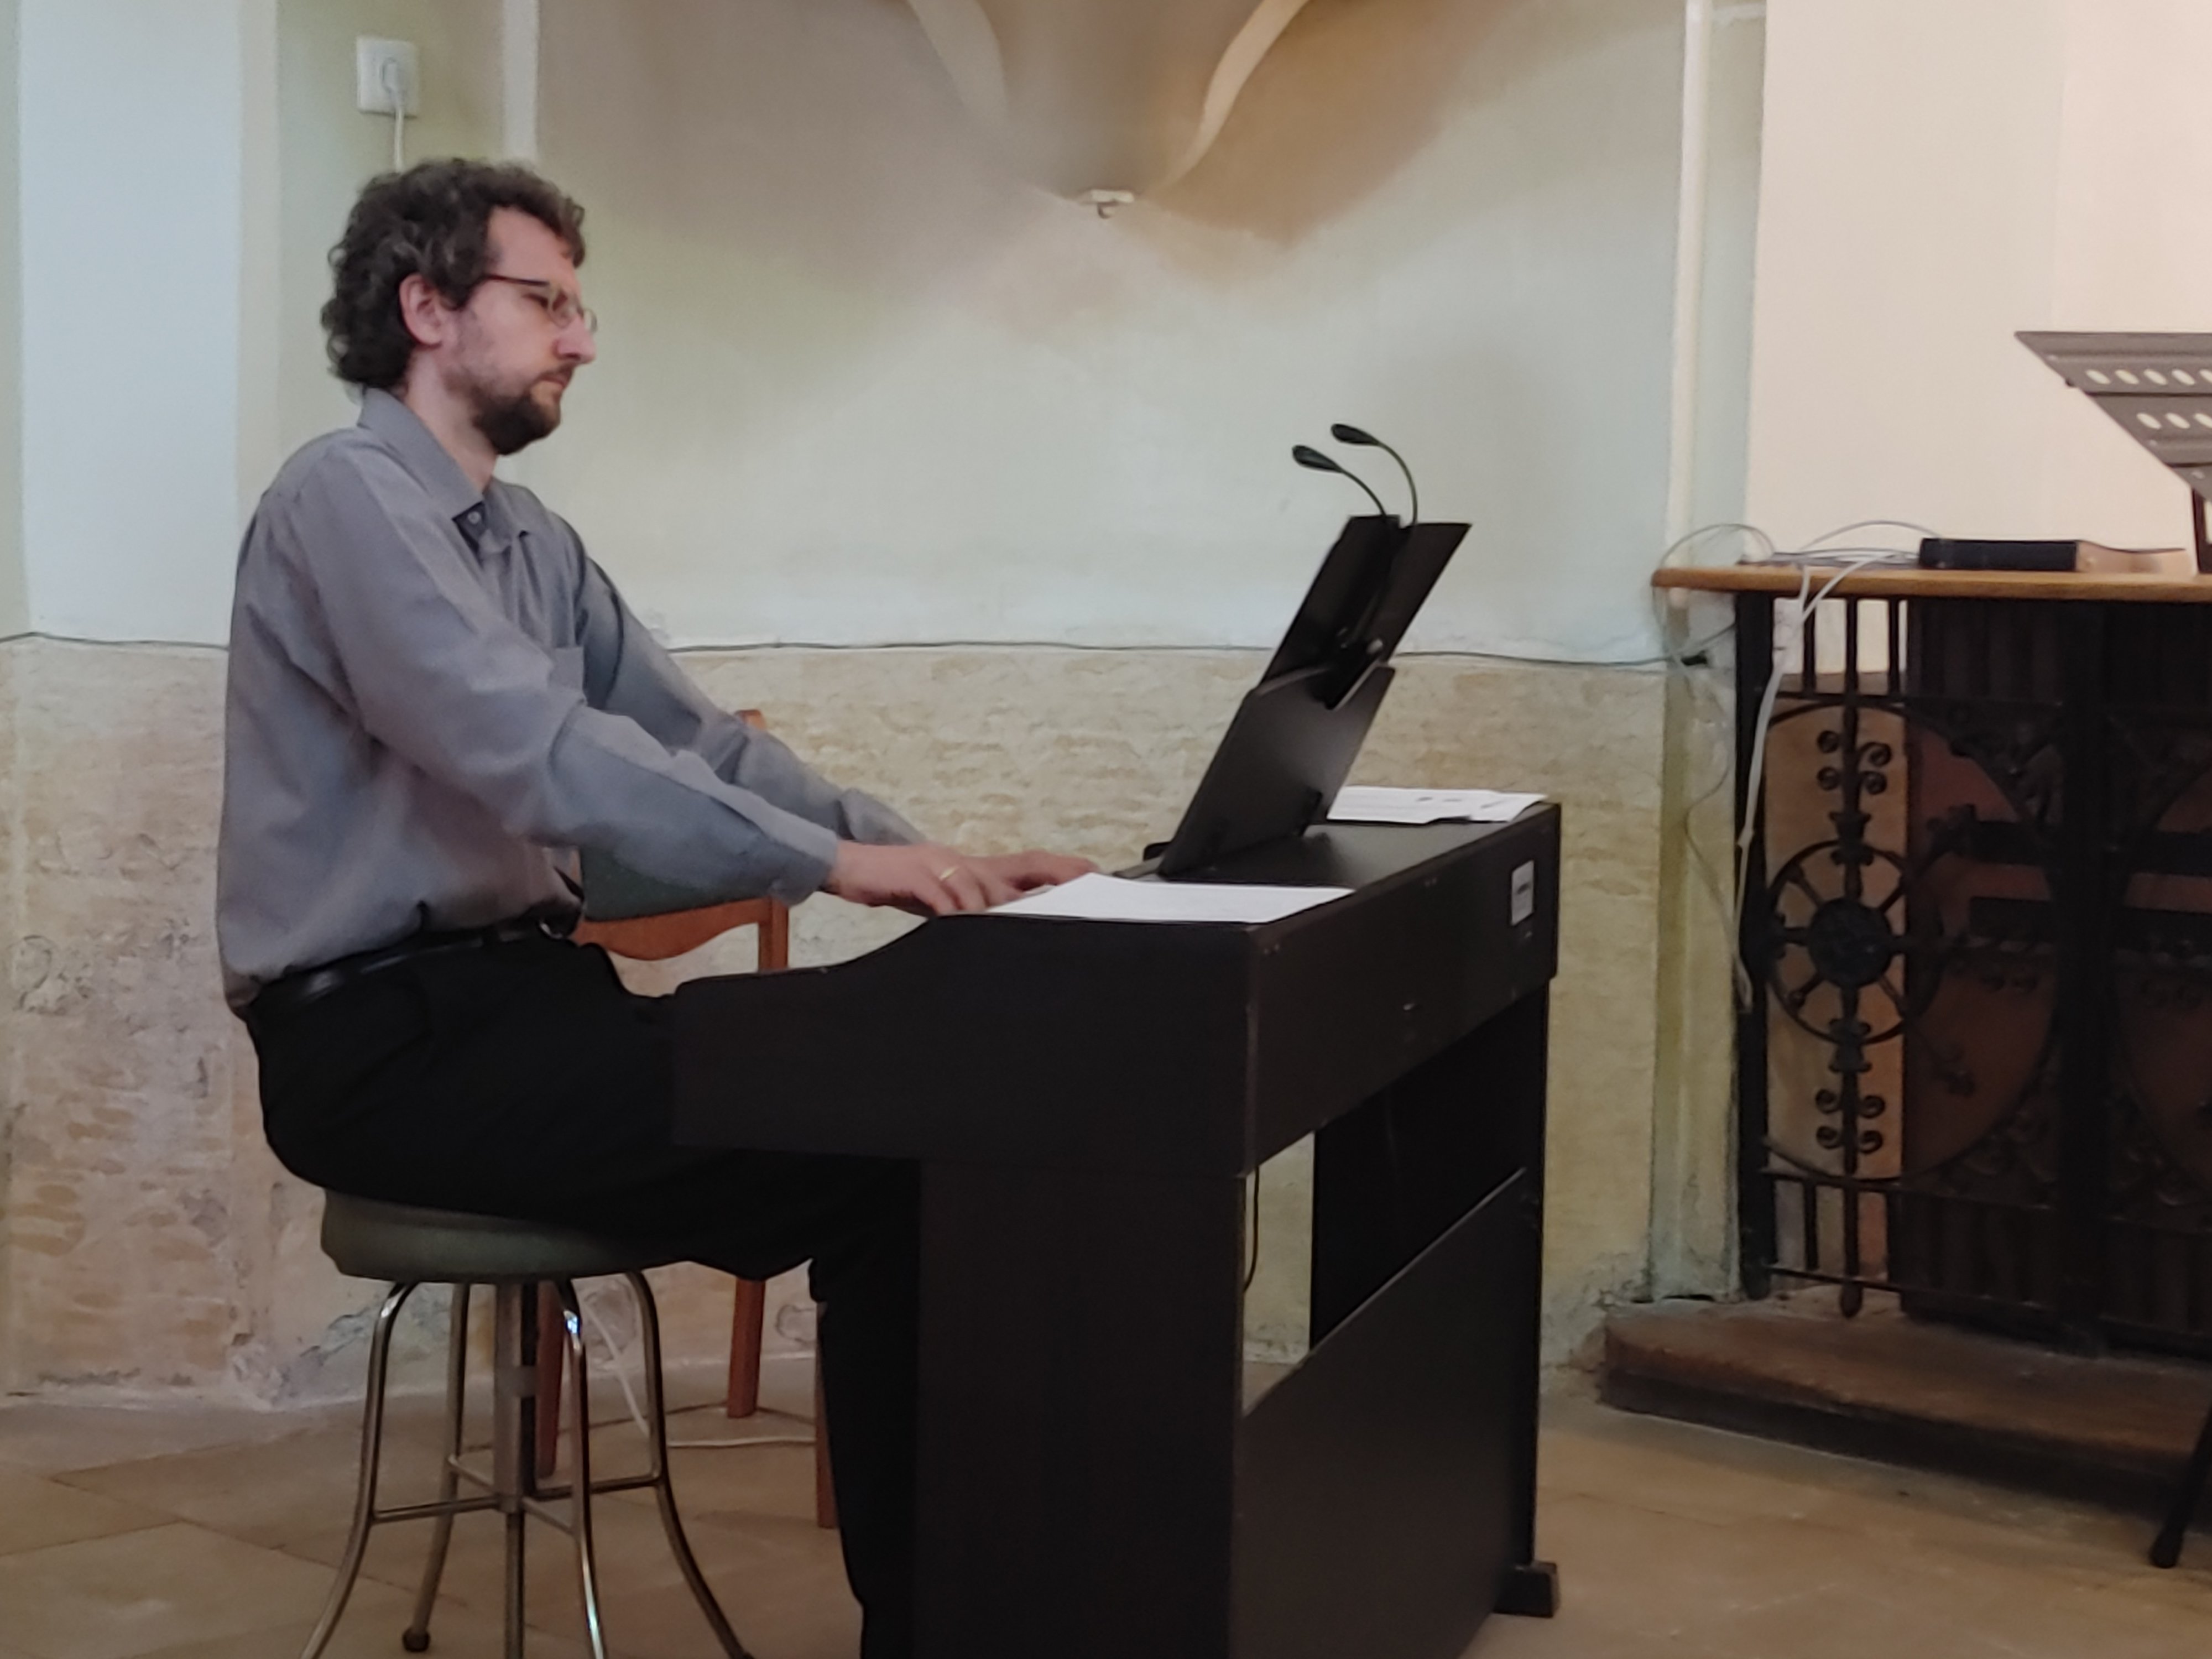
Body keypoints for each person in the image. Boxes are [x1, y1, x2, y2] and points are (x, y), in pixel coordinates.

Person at [217, 158, 1092, 1659]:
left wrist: (921, 855)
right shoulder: (339, 499)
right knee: (893, 1151)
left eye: (579, 302)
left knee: (919, 1122)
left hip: (523, 1014)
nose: (583, 336)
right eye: (545, 300)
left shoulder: (533, 542)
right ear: (426, 308)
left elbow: (702, 745)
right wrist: (832, 870)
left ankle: (984, 1613)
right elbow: (531, 747)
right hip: (379, 1047)